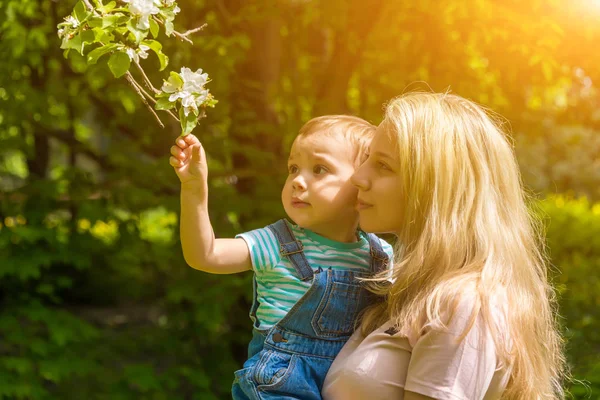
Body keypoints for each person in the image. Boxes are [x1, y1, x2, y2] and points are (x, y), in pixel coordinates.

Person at [322, 92, 566, 400]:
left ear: (436, 186)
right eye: (366, 160)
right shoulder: (409, 290)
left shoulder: (464, 302)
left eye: (383, 165)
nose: (358, 177)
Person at [169, 115, 393, 400]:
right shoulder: (276, 243)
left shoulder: (380, 257)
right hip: (279, 388)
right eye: (293, 168)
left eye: (319, 169)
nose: (298, 180)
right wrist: (194, 189)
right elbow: (205, 255)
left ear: (361, 183)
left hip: (347, 385)